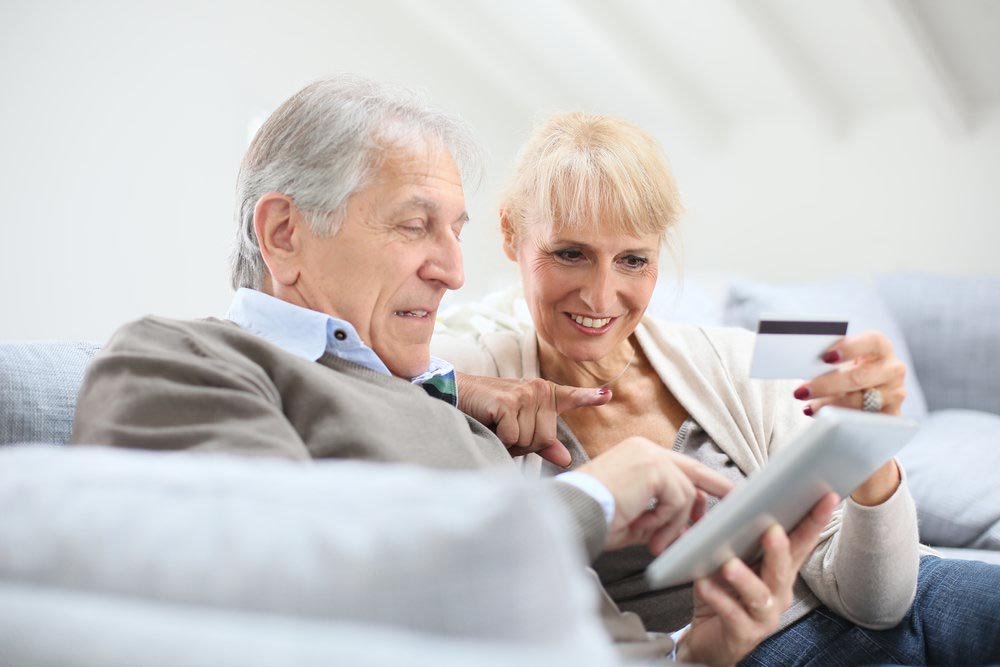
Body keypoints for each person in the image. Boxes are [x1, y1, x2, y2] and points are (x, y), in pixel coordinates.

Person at [69, 76, 835, 665]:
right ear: (284, 232)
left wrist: (699, 652)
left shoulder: (448, 406)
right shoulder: (181, 358)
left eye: (634, 258)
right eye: (414, 226)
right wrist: (590, 497)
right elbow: (278, 587)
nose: (452, 271)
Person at [432, 112, 1000, 666]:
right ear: (510, 234)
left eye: (633, 260)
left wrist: (873, 450)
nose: (601, 296)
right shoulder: (473, 372)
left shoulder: (736, 352)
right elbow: (353, 360)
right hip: (742, 649)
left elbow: (878, 601)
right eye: (569, 253)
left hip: (903, 595)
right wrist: (457, 386)